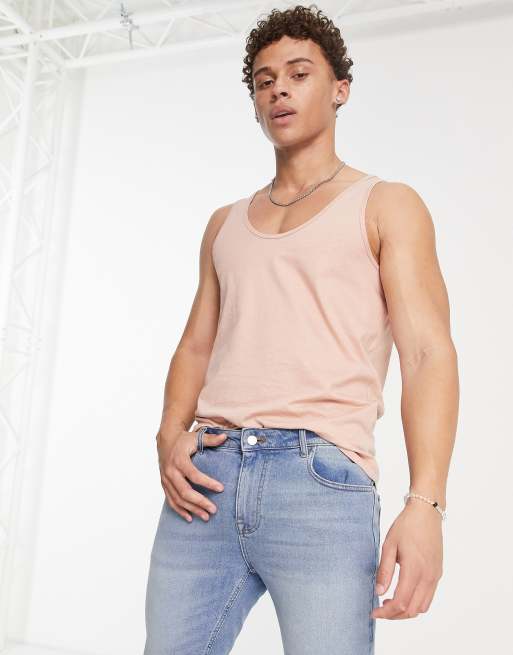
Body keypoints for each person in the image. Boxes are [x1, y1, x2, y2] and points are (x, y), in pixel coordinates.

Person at [143, 4, 459, 654]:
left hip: (321, 482)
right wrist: (169, 436)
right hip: (206, 481)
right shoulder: (224, 222)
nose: (278, 90)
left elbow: (428, 353)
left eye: (297, 73)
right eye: (264, 81)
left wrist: (426, 504)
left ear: (340, 88)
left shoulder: (386, 204)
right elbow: (195, 345)